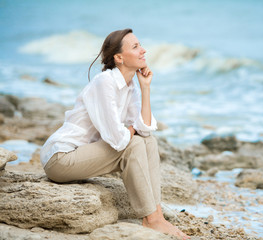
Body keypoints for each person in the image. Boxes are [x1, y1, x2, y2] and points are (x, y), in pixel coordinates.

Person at [40, 29, 190, 240]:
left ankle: (155, 214)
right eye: (136, 47)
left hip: (84, 155)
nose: (143, 50)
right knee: (134, 144)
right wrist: (132, 129)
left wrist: (145, 88)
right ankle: (152, 219)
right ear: (119, 58)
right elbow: (119, 140)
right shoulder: (105, 82)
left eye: (141, 45)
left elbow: (145, 129)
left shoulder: (130, 87)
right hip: (61, 158)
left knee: (148, 141)